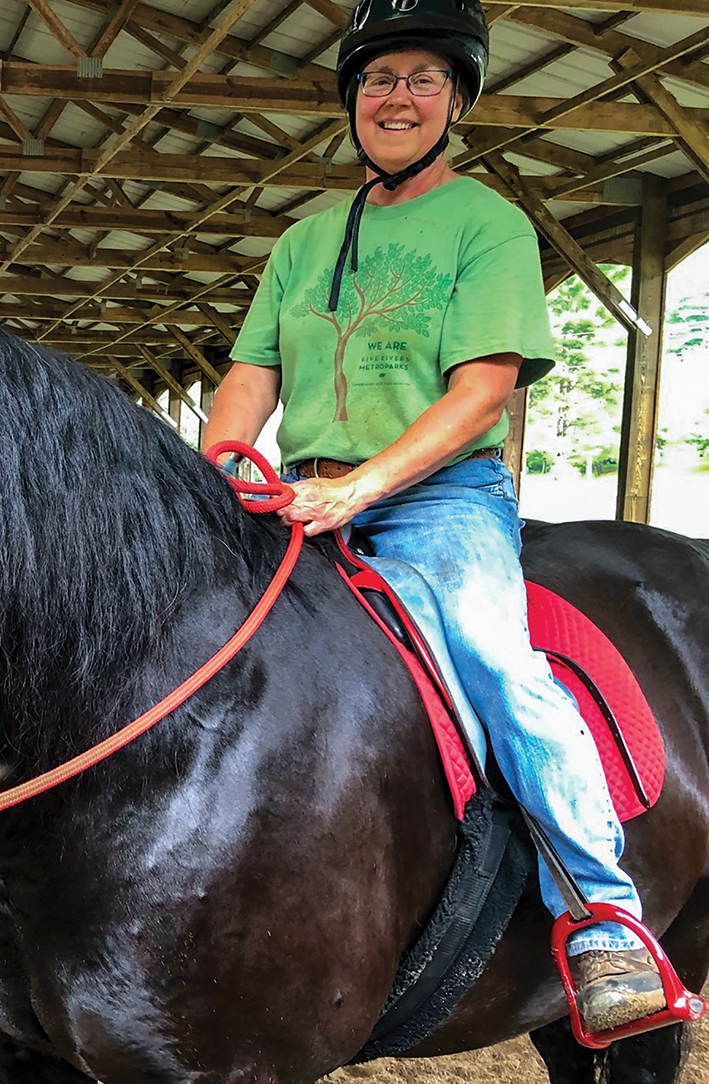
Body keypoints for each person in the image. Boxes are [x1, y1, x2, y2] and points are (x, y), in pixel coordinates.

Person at [202, 0, 675, 1036]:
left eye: (421, 79)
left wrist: (360, 487)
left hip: (431, 501)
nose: (397, 97)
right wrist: (220, 467)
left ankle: (603, 916)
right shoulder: (305, 239)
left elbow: (481, 391)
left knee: (493, 656)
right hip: (297, 498)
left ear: (454, 101)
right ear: (351, 102)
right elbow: (247, 376)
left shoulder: (486, 224)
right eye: (378, 79)